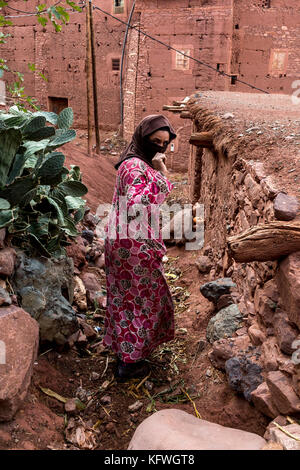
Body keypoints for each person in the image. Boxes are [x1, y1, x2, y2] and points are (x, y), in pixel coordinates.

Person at [103, 114, 177, 379]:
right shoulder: (136, 167)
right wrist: (161, 174)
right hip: (134, 247)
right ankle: (130, 363)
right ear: (143, 138)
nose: (160, 147)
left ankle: (125, 353)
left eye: (165, 142)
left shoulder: (131, 162)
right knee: (143, 301)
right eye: (155, 141)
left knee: (125, 299)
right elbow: (137, 206)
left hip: (120, 241)